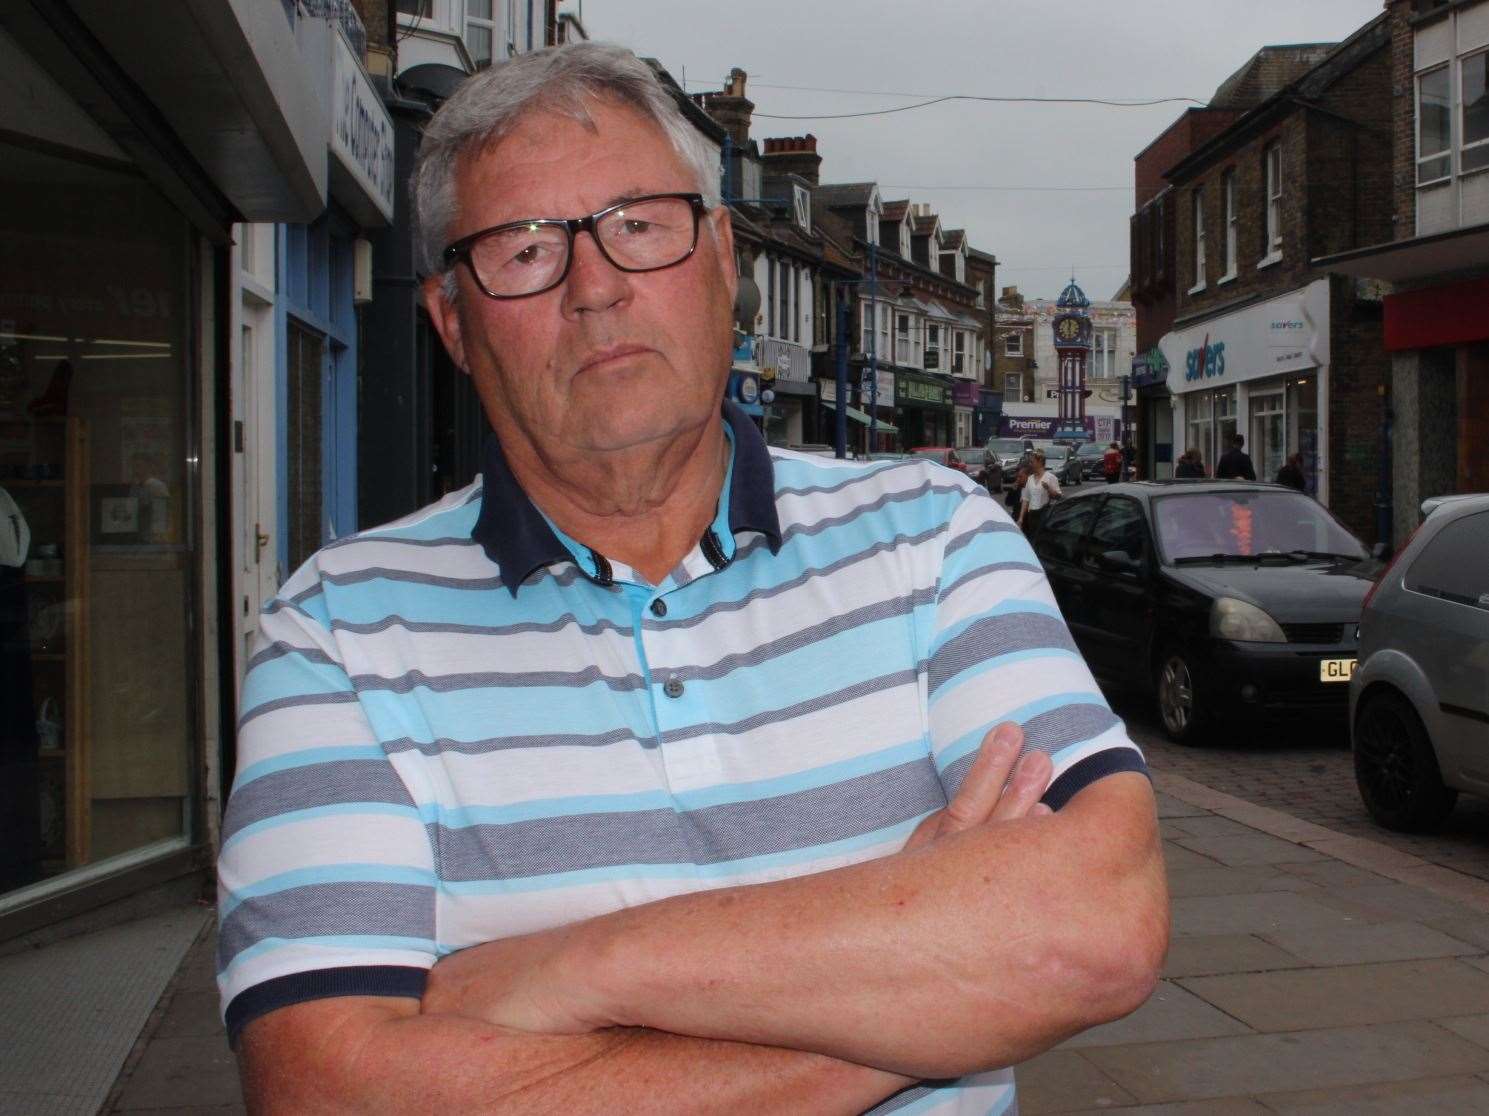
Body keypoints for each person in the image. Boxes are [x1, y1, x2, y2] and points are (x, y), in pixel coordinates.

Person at [220, 43, 1165, 1115]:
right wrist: (931, 1001)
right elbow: (327, 1091)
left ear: (722, 258)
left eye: (639, 224)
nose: (596, 289)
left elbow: (1094, 930)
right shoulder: (336, 630)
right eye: (523, 248)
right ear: (453, 326)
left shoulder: (931, 536)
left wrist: (578, 969)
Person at [1018, 448, 1062, 537]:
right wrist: (1021, 518)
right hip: (1032, 516)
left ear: (1040, 462)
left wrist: (1048, 489)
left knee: (1042, 539)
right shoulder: (1030, 479)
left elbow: (1058, 497)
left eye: (1032, 462)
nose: (1030, 464)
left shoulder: (1050, 478)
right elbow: (1026, 500)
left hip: (1044, 515)